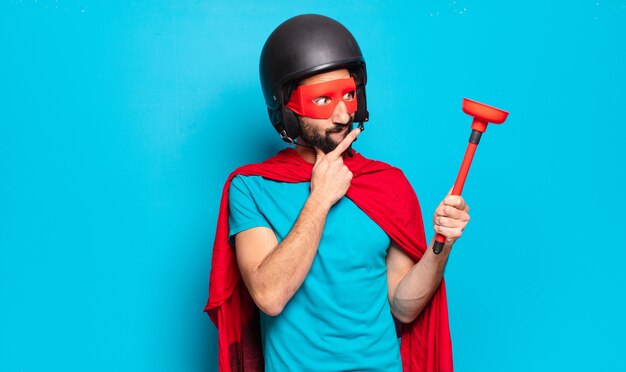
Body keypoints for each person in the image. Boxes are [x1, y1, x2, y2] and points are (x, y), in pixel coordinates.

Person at [205, 14, 470, 372]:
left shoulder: (387, 184)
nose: (344, 114)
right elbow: (269, 296)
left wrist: (442, 244)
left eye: (349, 94)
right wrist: (320, 198)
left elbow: (403, 306)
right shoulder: (251, 188)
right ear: (288, 111)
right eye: (323, 101)